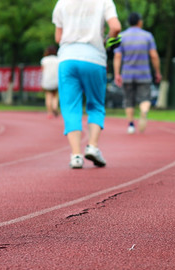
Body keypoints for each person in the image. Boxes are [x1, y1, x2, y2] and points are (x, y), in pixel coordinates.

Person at [52, 0, 121, 169]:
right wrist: (106, 40)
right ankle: (93, 146)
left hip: (67, 59)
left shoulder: (62, 2)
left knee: (70, 107)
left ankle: (76, 155)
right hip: (94, 58)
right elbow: (116, 27)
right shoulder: (105, 1)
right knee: (96, 104)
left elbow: (58, 37)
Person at [113, 12, 161, 134]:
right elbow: (154, 55)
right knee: (145, 98)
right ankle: (143, 112)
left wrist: (117, 74)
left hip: (127, 74)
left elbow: (117, 56)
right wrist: (157, 72)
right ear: (139, 22)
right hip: (144, 74)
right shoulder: (148, 36)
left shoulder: (121, 36)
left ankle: (130, 125)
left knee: (129, 100)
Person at [40, 45, 60, 119]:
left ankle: (49, 112)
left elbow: (42, 70)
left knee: (48, 97)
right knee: (55, 96)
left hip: (47, 80)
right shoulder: (58, 59)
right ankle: (55, 107)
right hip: (56, 80)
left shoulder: (44, 60)